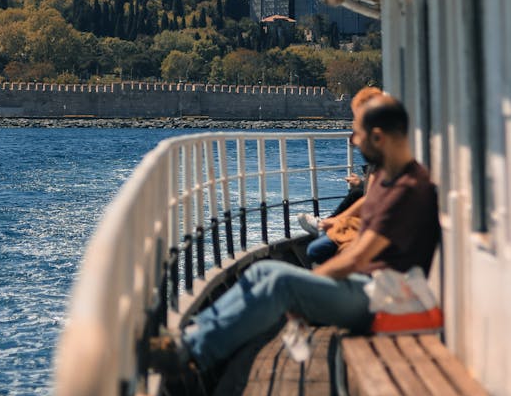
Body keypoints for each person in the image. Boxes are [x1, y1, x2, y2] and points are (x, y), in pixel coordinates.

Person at [149, 94, 440, 375]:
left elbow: (358, 257)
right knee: (262, 271)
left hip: (383, 300)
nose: (353, 141)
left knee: (281, 284)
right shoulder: (391, 180)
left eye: (357, 134)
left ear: (378, 138)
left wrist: (309, 286)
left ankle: (189, 352)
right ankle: (190, 335)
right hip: (368, 287)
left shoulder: (407, 190)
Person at [297, 86, 384, 263]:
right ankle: (326, 226)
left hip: (372, 238)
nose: (354, 141)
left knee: (316, 250)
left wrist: (339, 221)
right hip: (369, 231)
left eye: (358, 128)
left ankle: (325, 226)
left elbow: (371, 199)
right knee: (357, 191)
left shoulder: (387, 162)